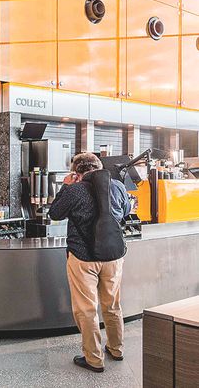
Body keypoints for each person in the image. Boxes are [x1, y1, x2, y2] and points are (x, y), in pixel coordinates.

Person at [49, 152, 131, 374]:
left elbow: (54, 214)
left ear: (76, 173)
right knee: (112, 305)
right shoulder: (117, 186)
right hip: (113, 256)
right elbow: (125, 212)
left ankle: (94, 359)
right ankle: (116, 349)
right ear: (99, 167)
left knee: (86, 309)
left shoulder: (74, 190)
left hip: (83, 257)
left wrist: (65, 187)